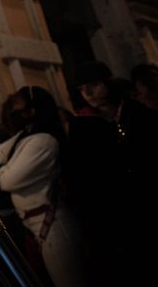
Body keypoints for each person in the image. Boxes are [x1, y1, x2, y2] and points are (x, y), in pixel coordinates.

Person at [0, 86, 85, 286]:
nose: (13, 110)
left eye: (17, 105)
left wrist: (4, 172)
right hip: (37, 226)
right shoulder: (26, 136)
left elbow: (9, 181)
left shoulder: (43, 141)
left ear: (33, 109)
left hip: (54, 225)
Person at [66, 61, 158, 283]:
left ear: (107, 83)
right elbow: (80, 179)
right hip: (115, 221)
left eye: (94, 84)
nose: (88, 93)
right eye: (81, 88)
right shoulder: (83, 127)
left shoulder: (137, 112)